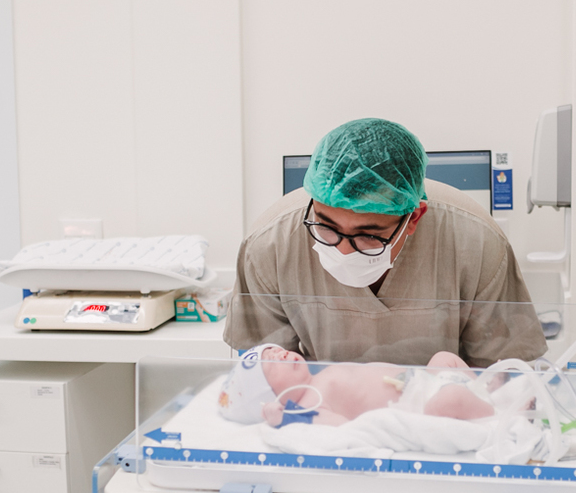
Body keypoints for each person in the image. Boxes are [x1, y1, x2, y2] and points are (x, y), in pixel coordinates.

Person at [224, 118, 546, 367]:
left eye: (368, 235)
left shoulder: (477, 243)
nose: (343, 251)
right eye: (326, 226)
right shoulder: (268, 246)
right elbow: (259, 378)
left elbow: (505, 378)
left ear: (414, 219)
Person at [220, 343, 498, 428]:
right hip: (418, 407)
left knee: (443, 358)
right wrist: (287, 416)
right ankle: (500, 416)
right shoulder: (309, 403)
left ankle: (488, 393)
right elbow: (337, 427)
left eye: (277, 351)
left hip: (422, 382)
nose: (281, 354)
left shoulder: (318, 378)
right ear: (273, 395)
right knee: (449, 400)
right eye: (273, 363)